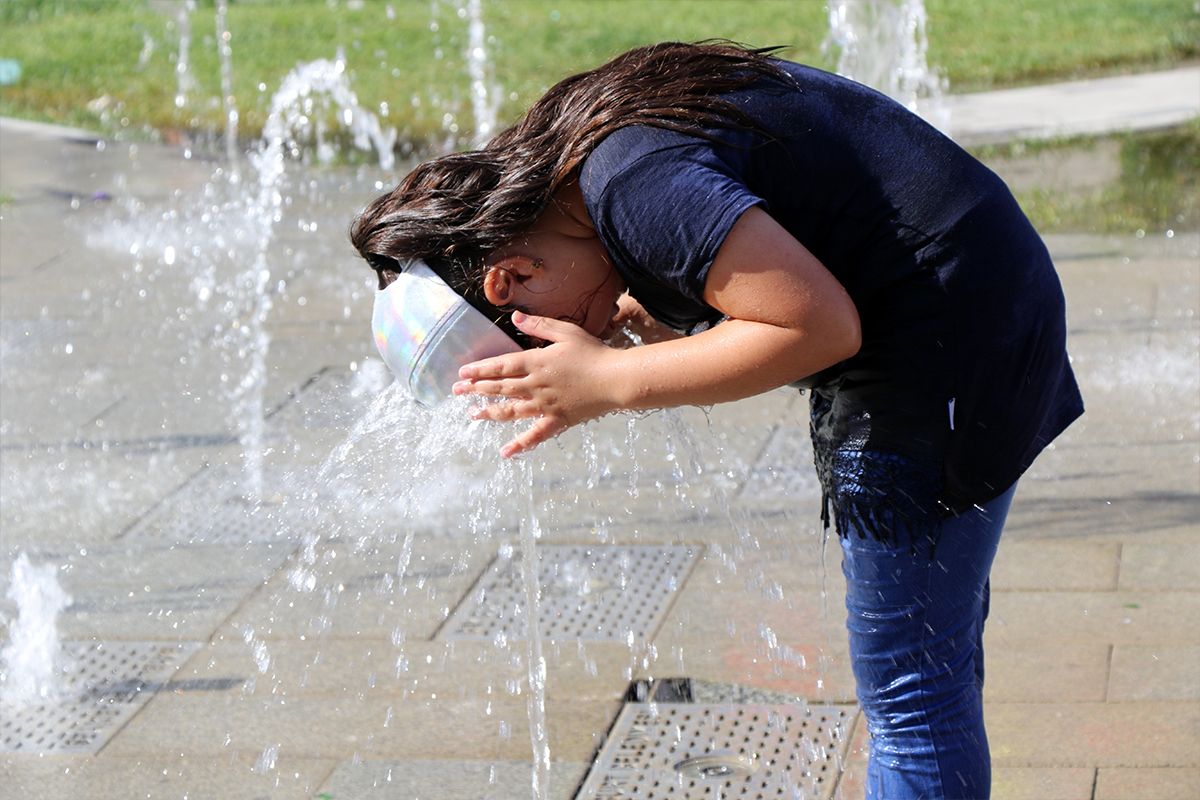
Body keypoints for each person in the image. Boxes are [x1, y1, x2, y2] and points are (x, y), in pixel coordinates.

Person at [351, 41, 1083, 799]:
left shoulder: (633, 186)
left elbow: (819, 326)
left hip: (948, 330)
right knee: (931, 649)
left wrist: (608, 380)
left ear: (510, 278)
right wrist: (673, 312)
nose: (583, 340)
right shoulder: (582, 152)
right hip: (970, 287)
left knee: (910, 691)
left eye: (544, 345)